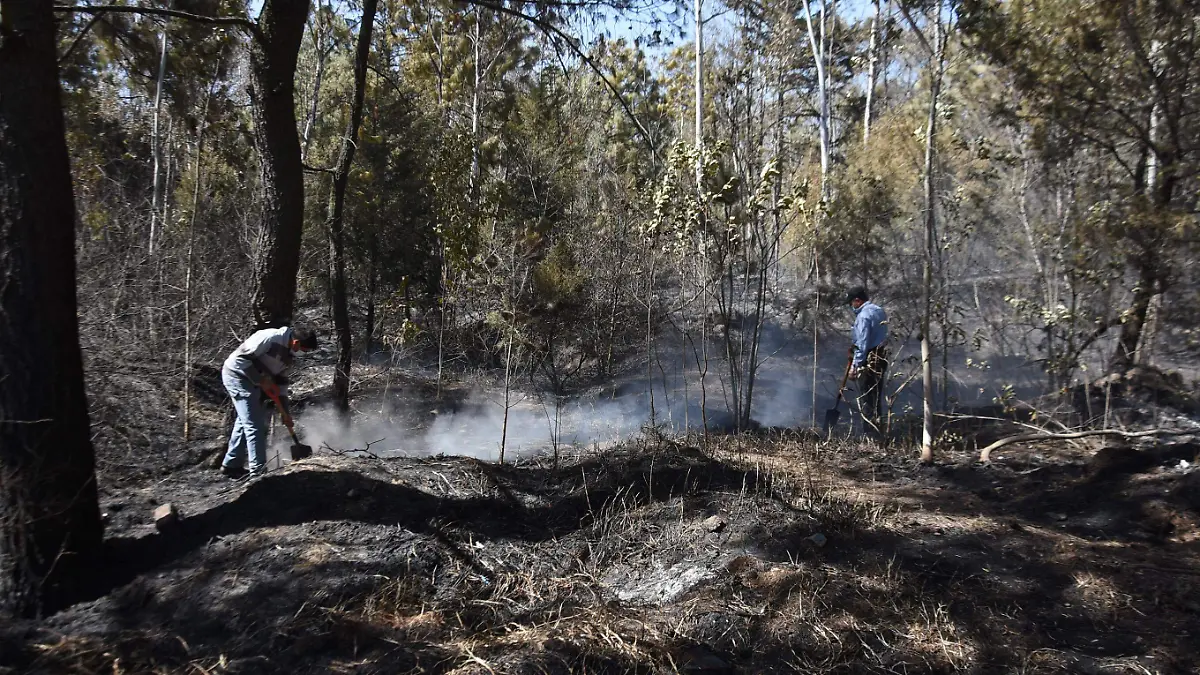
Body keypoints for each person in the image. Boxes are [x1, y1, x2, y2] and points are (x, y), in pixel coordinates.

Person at [220, 325, 318, 479]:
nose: (303, 354)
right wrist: (259, 380)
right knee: (254, 424)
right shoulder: (270, 338)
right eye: (304, 350)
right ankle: (258, 473)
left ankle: (231, 465)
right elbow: (241, 359)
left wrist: (285, 413)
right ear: (296, 343)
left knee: (244, 421)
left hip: (254, 382)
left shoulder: (289, 355)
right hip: (237, 376)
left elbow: (281, 384)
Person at [847, 287, 888, 427]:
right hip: (881, 358)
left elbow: (862, 344)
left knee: (867, 399)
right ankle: (879, 430)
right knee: (876, 398)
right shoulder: (879, 311)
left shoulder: (863, 316)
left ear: (857, 300)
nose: (851, 306)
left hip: (869, 360)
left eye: (851, 303)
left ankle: (870, 433)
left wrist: (855, 366)